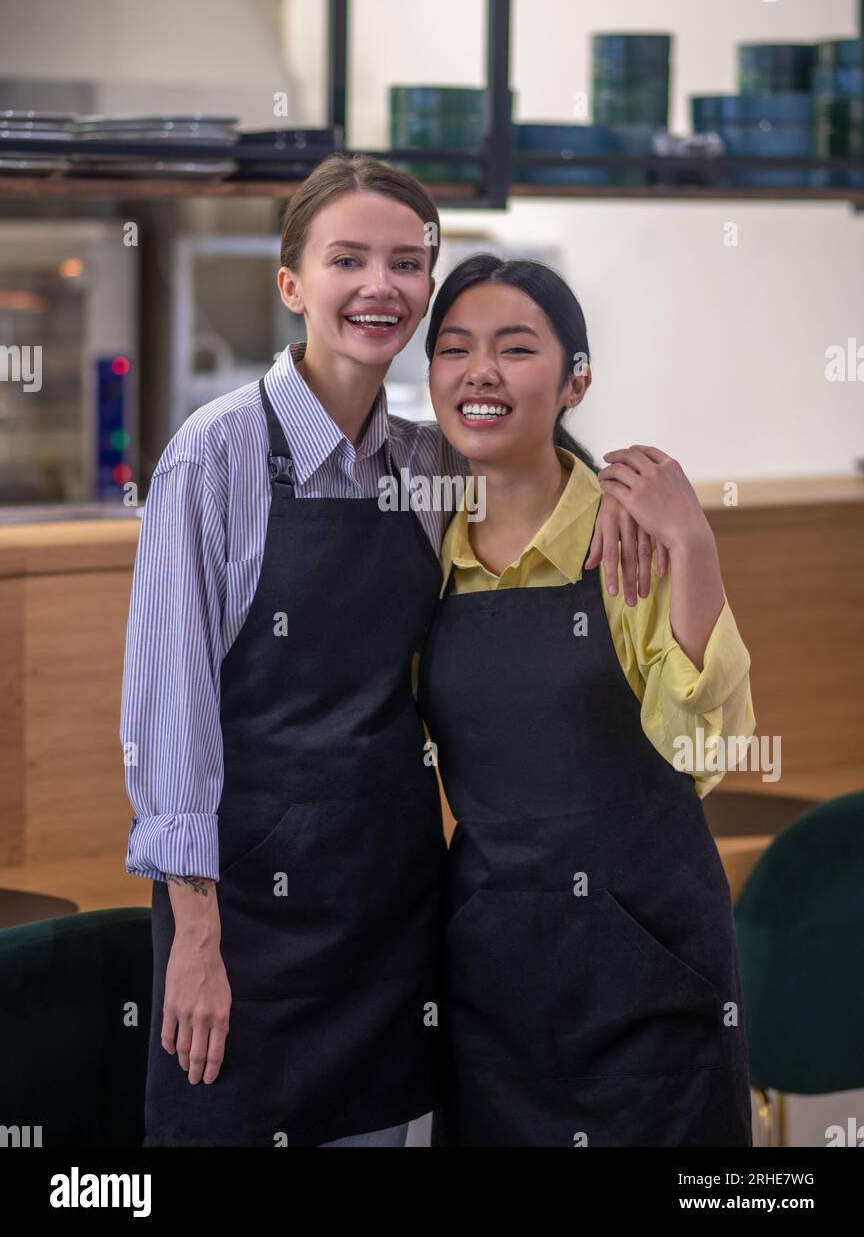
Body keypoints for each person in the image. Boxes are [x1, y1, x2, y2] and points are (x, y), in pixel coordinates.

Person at [120, 156, 653, 1148]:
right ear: (293, 286)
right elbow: (168, 721)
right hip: (243, 924)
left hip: (389, 908)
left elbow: (538, 457)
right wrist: (193, 941)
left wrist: (633, 492)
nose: (382, 287)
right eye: (349, 259)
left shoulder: (426, 462)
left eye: (408, 263)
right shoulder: (213, 457)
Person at [417, 255, 755, 1148]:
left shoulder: (633, 546)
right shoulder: (420, 553)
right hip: (493, 975)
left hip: (648, 967)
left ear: (577, 381)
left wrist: (695, 545)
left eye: (515, 349)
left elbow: (706, 757)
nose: (480, 371)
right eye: (454, 349)